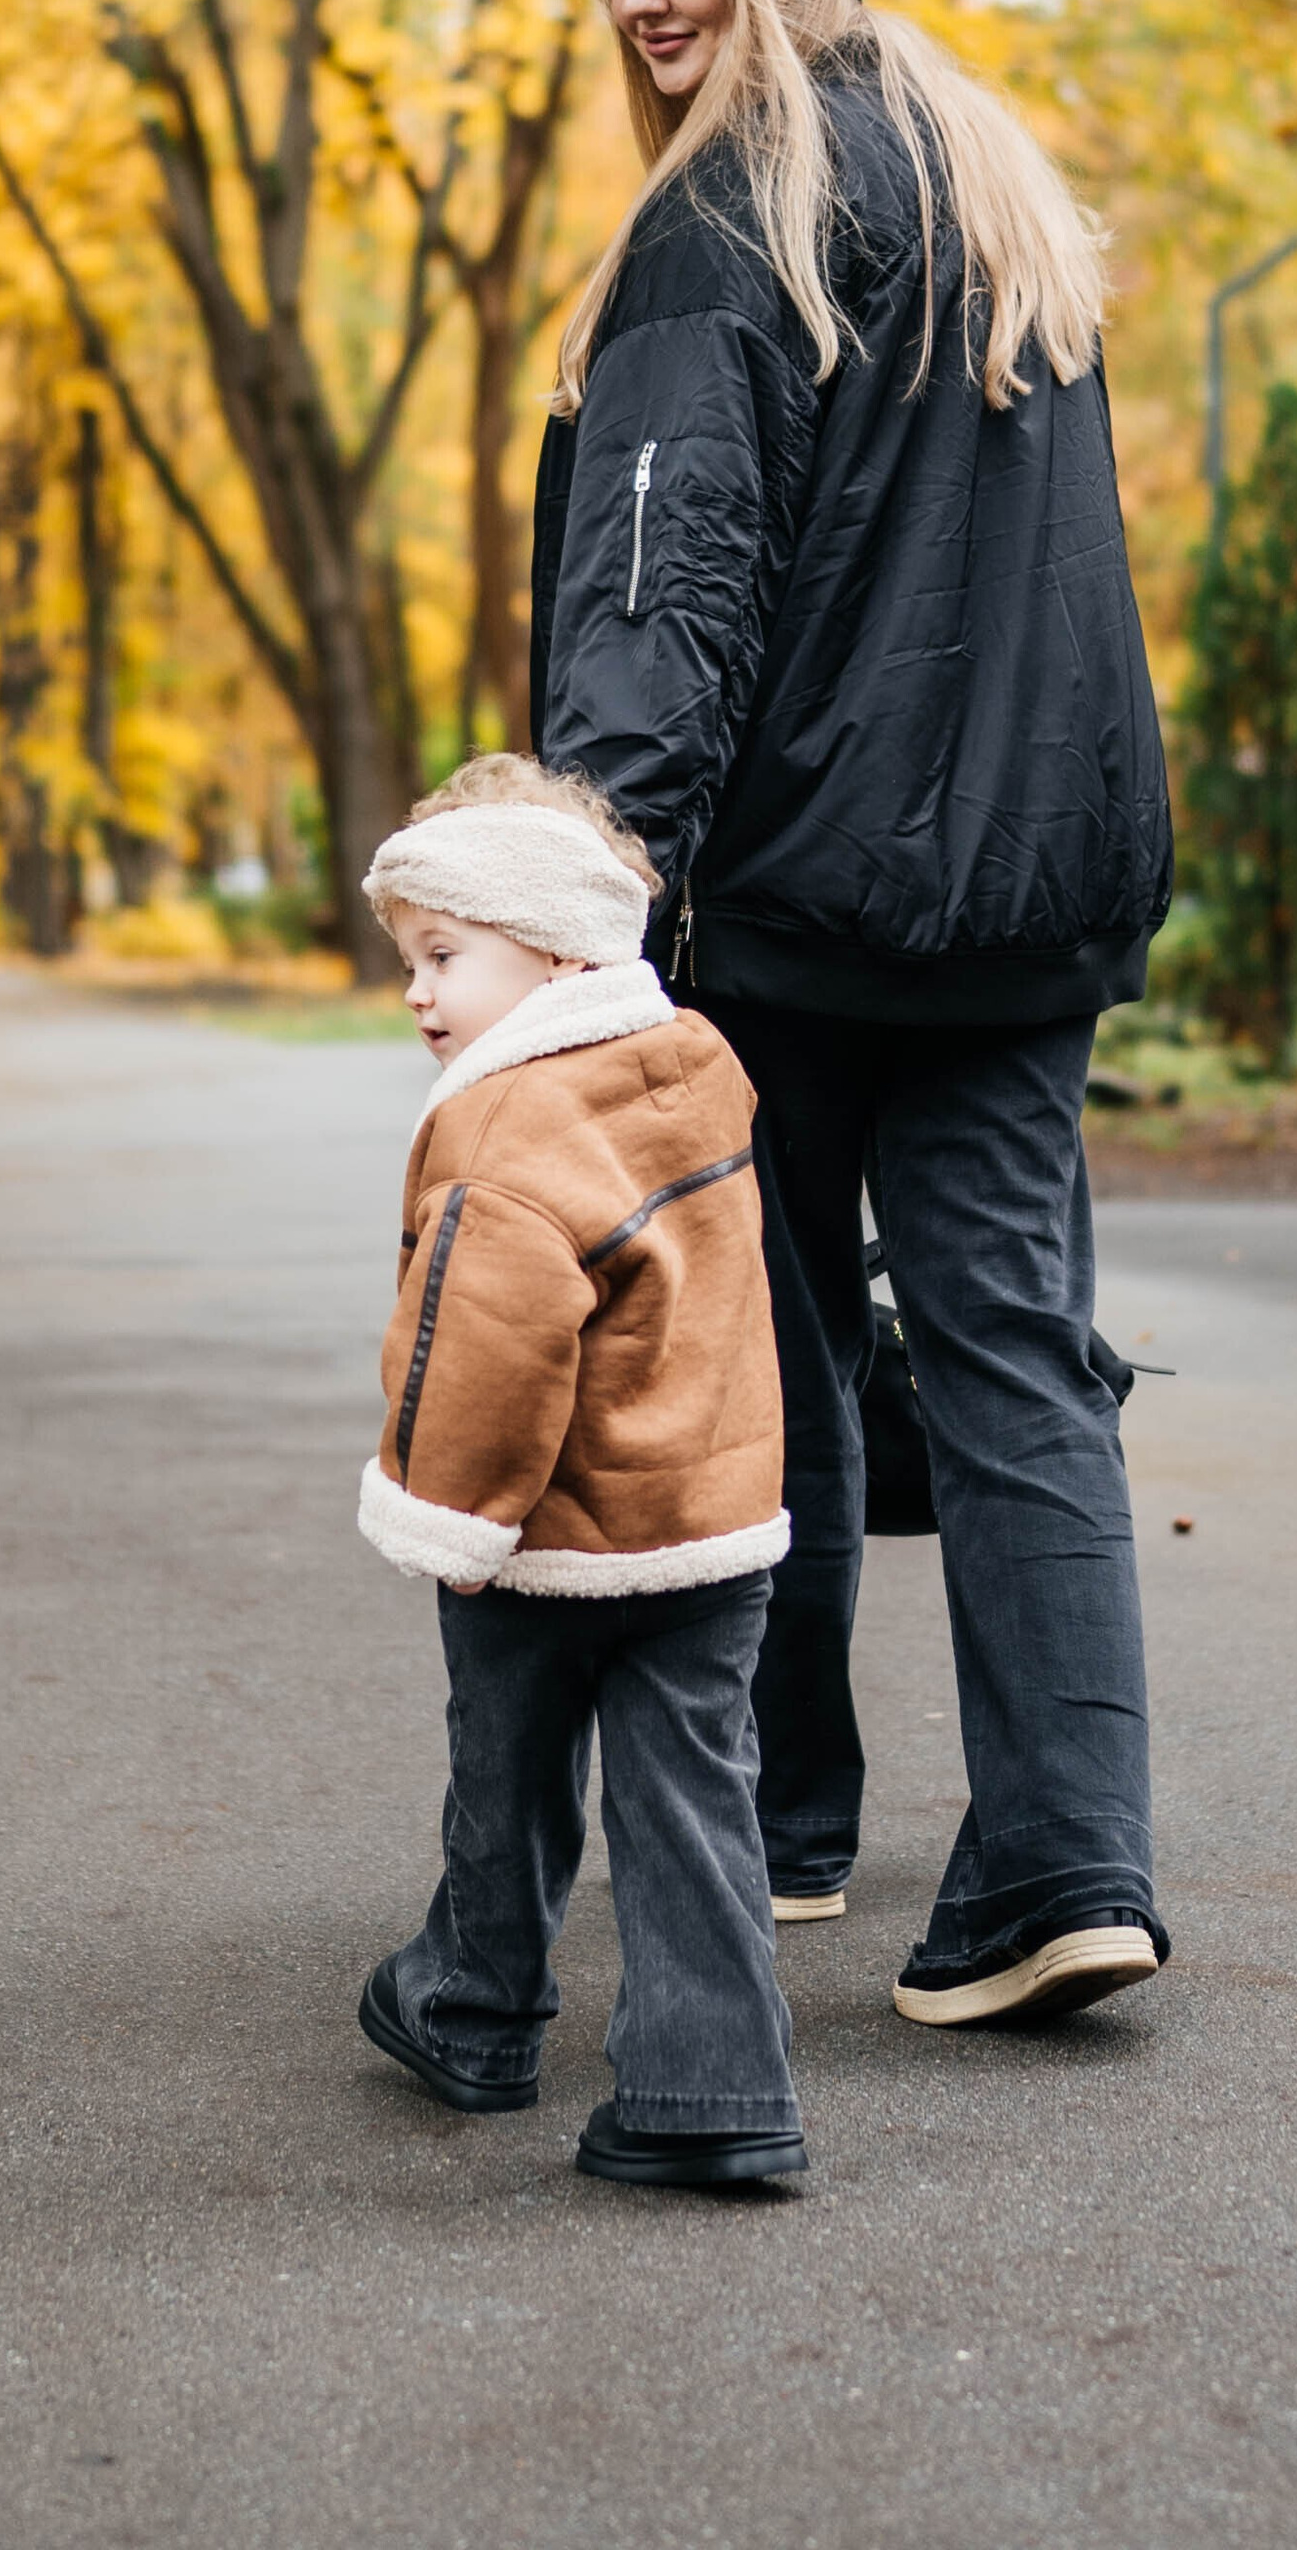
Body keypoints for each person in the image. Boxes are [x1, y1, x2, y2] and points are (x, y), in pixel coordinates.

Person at [528, 0, 1175, 2027]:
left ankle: (789, 1829)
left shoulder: (727, 217)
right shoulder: (989, 181)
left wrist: (582, 890)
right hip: (1020, 897)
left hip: (795, 905)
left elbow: (661, 588)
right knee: (1019, 1361)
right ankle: (1066, 1863)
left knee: (760, 1358)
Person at [353, 753, 807, 2190]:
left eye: (446, 955)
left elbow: (481, 1358)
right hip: (709, 1531)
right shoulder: (693, 1069)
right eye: (411, 963)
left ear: (553, 946)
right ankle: (714, 2090)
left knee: (510, 1779)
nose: (420, 994)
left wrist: (449, 1520)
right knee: (694, 1808)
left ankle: (476, 2012)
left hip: (543, 1539)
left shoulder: (498, 1135)